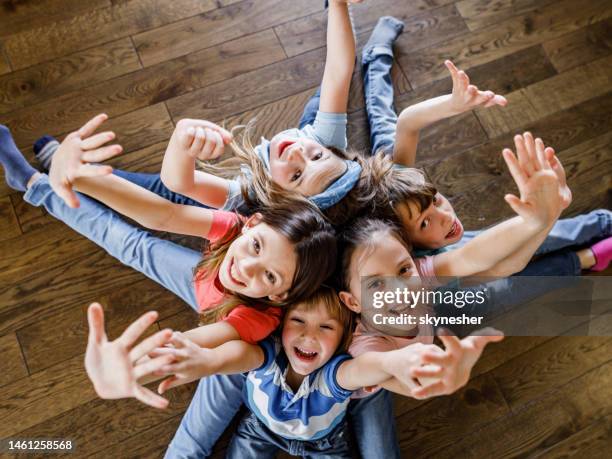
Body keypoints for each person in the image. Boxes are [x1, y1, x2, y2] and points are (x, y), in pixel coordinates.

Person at [360, 16, 612, 270]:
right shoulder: (421, 265)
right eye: (424, 223)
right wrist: (546, 214)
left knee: (383, 122)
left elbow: (407, 123)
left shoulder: (400, 188)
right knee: (509, 264)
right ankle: (597, 233)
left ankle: (375, 54)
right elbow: (504, 267)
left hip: (370, 181)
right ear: (404, 243)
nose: (446, 217)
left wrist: (453, 104)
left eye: (435, 200)